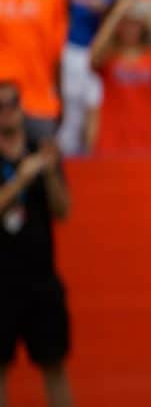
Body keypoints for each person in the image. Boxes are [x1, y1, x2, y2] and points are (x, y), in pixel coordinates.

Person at [0, 81, 72, 407]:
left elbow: (63, 210)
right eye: (1, 106)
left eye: (13, 103)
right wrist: (20, 181)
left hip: (41, 277)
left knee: (54, 364)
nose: (8, 112)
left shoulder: (38, 150)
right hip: (1, 281)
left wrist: (52, 172)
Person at [37, 0, 113, 156]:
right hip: (49, 58)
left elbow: (107, 12)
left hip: (86, 56)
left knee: (88, 123)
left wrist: (101, 8)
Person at [0, 0, 69, 141]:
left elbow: (56, 53)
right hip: (3, 104)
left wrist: (59, 98)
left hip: (39, 101)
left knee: (43, 170)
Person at [88, 0, 151, 155]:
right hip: (114, 139)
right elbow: (93, 59)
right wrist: (116, 14)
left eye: (135, 23)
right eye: (125, 23)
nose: (129, 28)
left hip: (150, 138)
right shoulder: (110, 56)